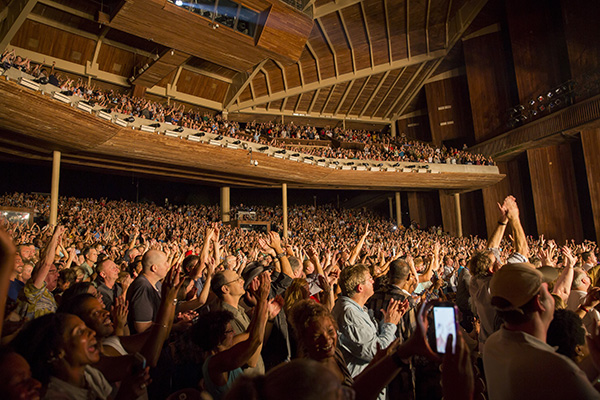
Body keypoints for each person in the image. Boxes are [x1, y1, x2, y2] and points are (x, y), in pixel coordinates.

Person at [483, 263, 600, 399]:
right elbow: (568, 378)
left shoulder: (493, 345)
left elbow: (572, 381)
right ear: (539, 302)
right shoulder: (553, 367)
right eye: (548, 292)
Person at [331, 263, 404, 400]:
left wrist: (388, 319)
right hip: (361, 389)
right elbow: (375, 351)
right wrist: (390, 324)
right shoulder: (349, 314)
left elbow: (372, 339)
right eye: (370, 278)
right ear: (360, 287)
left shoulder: (357, 309)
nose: (373, 281)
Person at [193, 273, 270, 400]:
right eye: (229, 331)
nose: (233, 333)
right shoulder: (216, 363)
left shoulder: (222, 350)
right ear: (217, 339)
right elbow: (254, 341)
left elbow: (249, 333)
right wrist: (262, 301)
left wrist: (261, 307)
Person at [127, 249, 169, 333]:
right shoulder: (143, 287)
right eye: (165, 263)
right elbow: (142, 327)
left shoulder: (156, 283)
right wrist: (173, 327)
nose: (168, 265)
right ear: (154, 268)